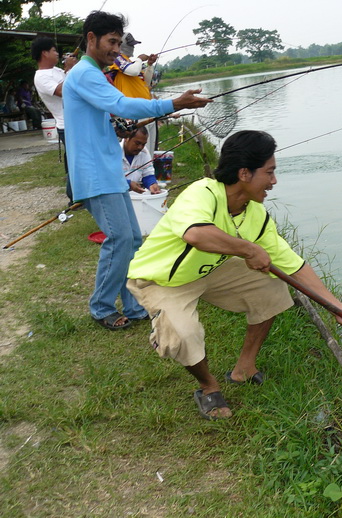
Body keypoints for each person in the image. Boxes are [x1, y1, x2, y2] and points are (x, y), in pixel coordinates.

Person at [127, 130, 342, 420]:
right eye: (270, 173)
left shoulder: (255, 214)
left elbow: (293, 265)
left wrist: (336, 306)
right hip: (161, 279)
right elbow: (196, 234)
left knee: (272, 287)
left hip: (208, 270)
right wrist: (248, 249)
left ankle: (244, 369)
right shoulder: (203, 193)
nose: (274, 182)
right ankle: (208, 387)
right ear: (244, 173)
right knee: (184, 334)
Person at [63, 10, 211, 331]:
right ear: (91, 39)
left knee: (131, 239)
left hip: (107, 168)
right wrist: (174, 104)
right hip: (94, 172)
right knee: (119, 238)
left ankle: (132, 303)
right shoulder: (85, 74)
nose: (117, 49)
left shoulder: (93, 73)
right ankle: (101, 307)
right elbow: (124, 104)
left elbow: (106, 116)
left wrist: (115, 128)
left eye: (119, 42)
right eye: (111, 42)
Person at [31, 36, 78, 204]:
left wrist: (69, 69)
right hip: (68, 125)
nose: (57, 53)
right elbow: (64, 91)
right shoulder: (41, 76)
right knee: (77, 162)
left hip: (76, 122)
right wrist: (70, 69)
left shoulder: (56, 71)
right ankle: (74, 198)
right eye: (53, 50)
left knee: (78, 160)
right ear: (44, 53)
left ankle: (79, 195)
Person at [122, 126, 160, 194]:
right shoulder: (113, 152)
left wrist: (152, 184)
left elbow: (148, 174)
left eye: (143, 144)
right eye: (137, 143)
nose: (140, 147)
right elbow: (108, 178)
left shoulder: (144, 152)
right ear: (126, 138)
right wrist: (128, 184)